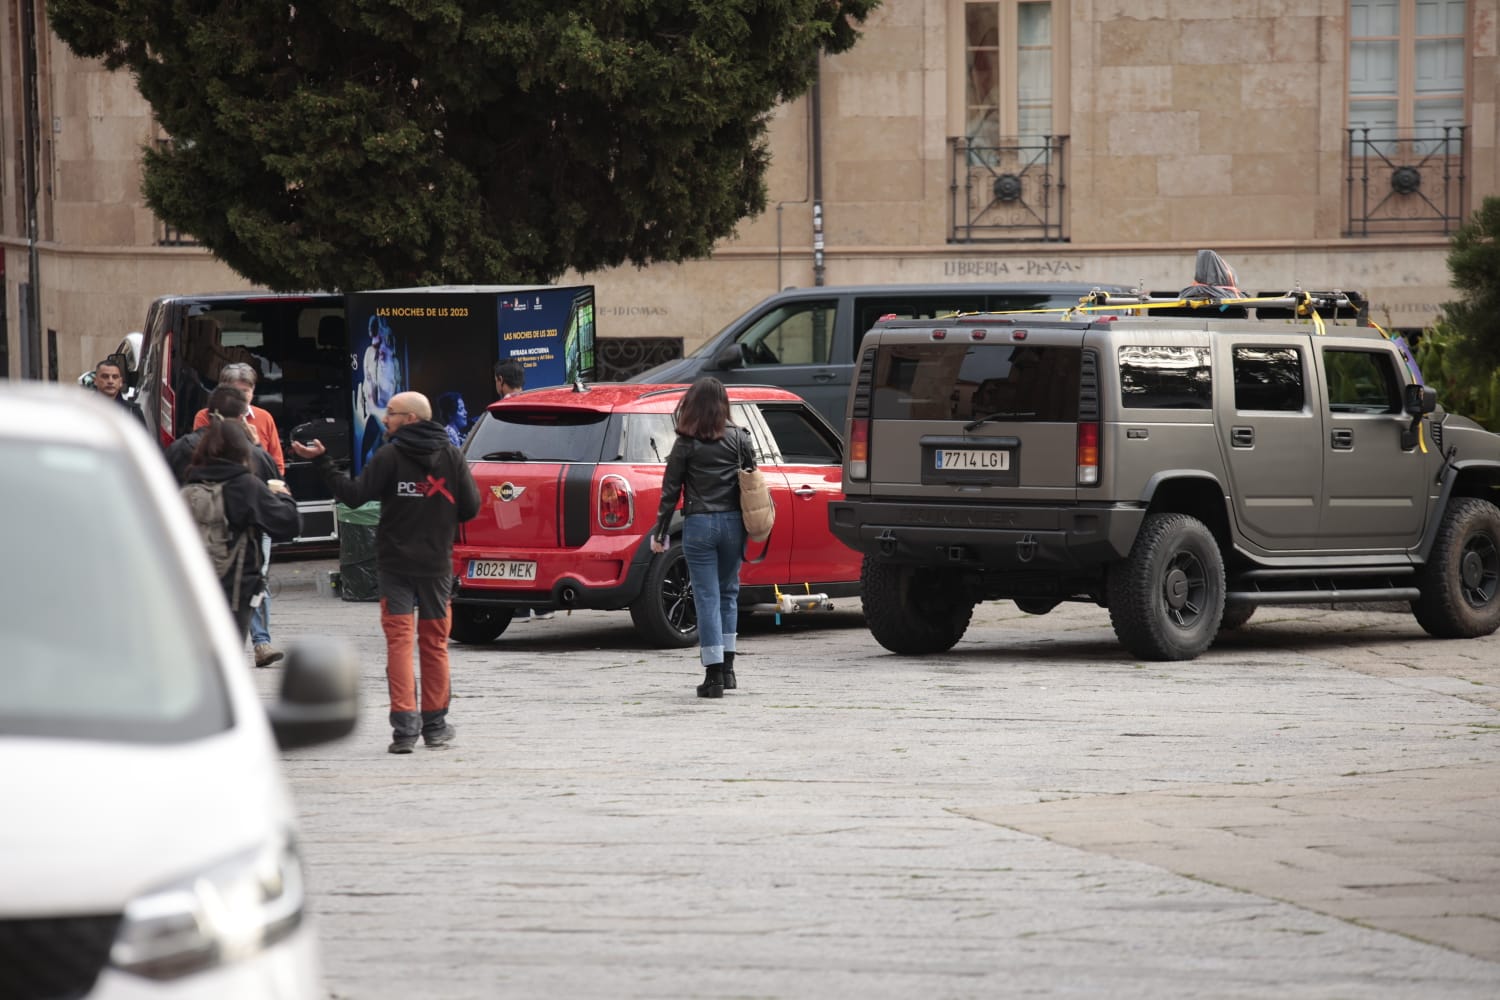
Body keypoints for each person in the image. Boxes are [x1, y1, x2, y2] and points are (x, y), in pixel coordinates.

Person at [291, 391, 480, 754]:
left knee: (399, 643)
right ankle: (435, 727)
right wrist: (437, 512)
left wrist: (323, 462)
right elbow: (470, 507)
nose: (385, 418)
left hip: (395, 566)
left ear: (410, 419)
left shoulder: (389, 456)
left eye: (391, 413)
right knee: (435, 644)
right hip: (436, 567)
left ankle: (404, 731)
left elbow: (354, 495)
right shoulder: (451, 455)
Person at [650, 377, 754, 699]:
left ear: (692, 405)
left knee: (706, 597)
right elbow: (752, 481)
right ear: (724, 404)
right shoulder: (740, 438)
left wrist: (660, 532)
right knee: (728, 593)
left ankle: (713, 676)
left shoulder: (685, 443)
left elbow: (670, 492)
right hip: (734, 524)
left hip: (699, 525)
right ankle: (729, 670)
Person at [191, 362, 286, 666]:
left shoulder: (264, 419)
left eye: (248, 391)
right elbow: (200, 455)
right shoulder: (205, 418)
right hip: (220, 508)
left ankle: (261, 643)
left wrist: (267, 479)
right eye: (237, 391)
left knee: (257, 577)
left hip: (255, 504)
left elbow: (276, 463)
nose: (244, 397)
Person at [184, 418, 301, 640]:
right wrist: (284, 497)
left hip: (195, 586)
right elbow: (289, 525)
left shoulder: (189, 487)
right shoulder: (246, 485)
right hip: (236, 589)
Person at [493, 360, 554, 621]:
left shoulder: (500, 412)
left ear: (500, 380)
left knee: (511, 545)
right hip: (538, 487)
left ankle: (519, 607)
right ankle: (543, 605)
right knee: (538, 544)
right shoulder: (537, 406)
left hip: (507, 487)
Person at [91, 358, 146, 426]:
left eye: (115, 377)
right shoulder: (84, 410)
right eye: (105, 377)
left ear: (120, 382)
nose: (110, 381)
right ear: (95, 381)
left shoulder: (132, 411)